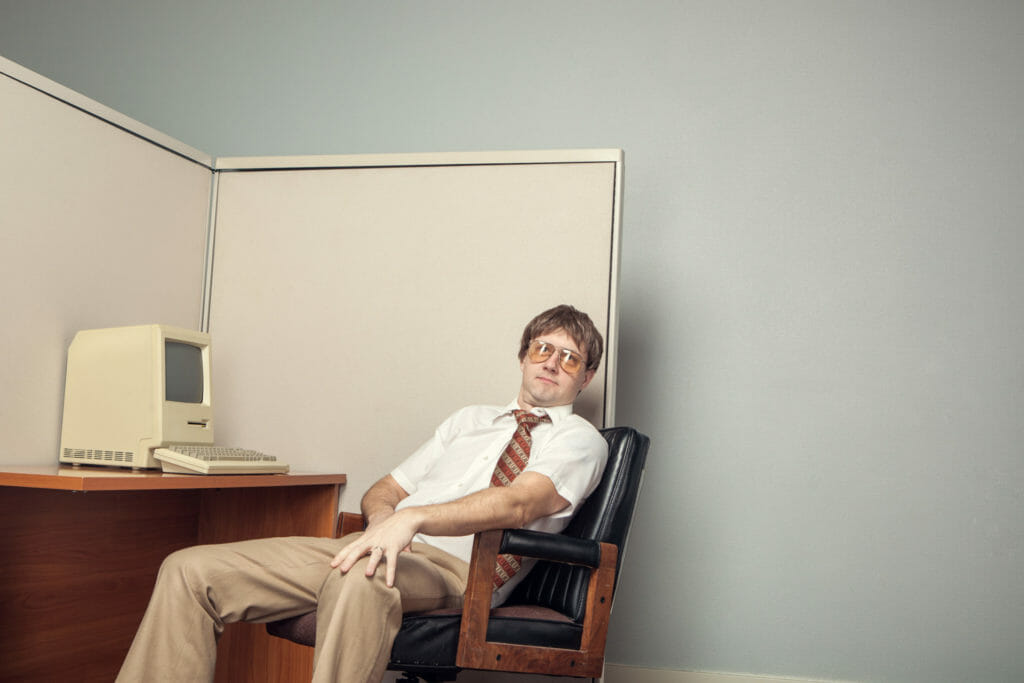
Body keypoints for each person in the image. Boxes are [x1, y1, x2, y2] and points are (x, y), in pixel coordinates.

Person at [116, 304, 608, 683]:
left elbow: (519, 502)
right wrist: (382, 521)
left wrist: (412, 521)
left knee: (362, 579)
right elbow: (387, 489)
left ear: (585, 378)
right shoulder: (469, 419)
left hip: (461, 571)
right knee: (189, 569)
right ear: (523, 356)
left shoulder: (579, 440)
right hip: (378, 545)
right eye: (543, 349)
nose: (552, 363)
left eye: (570, 358)